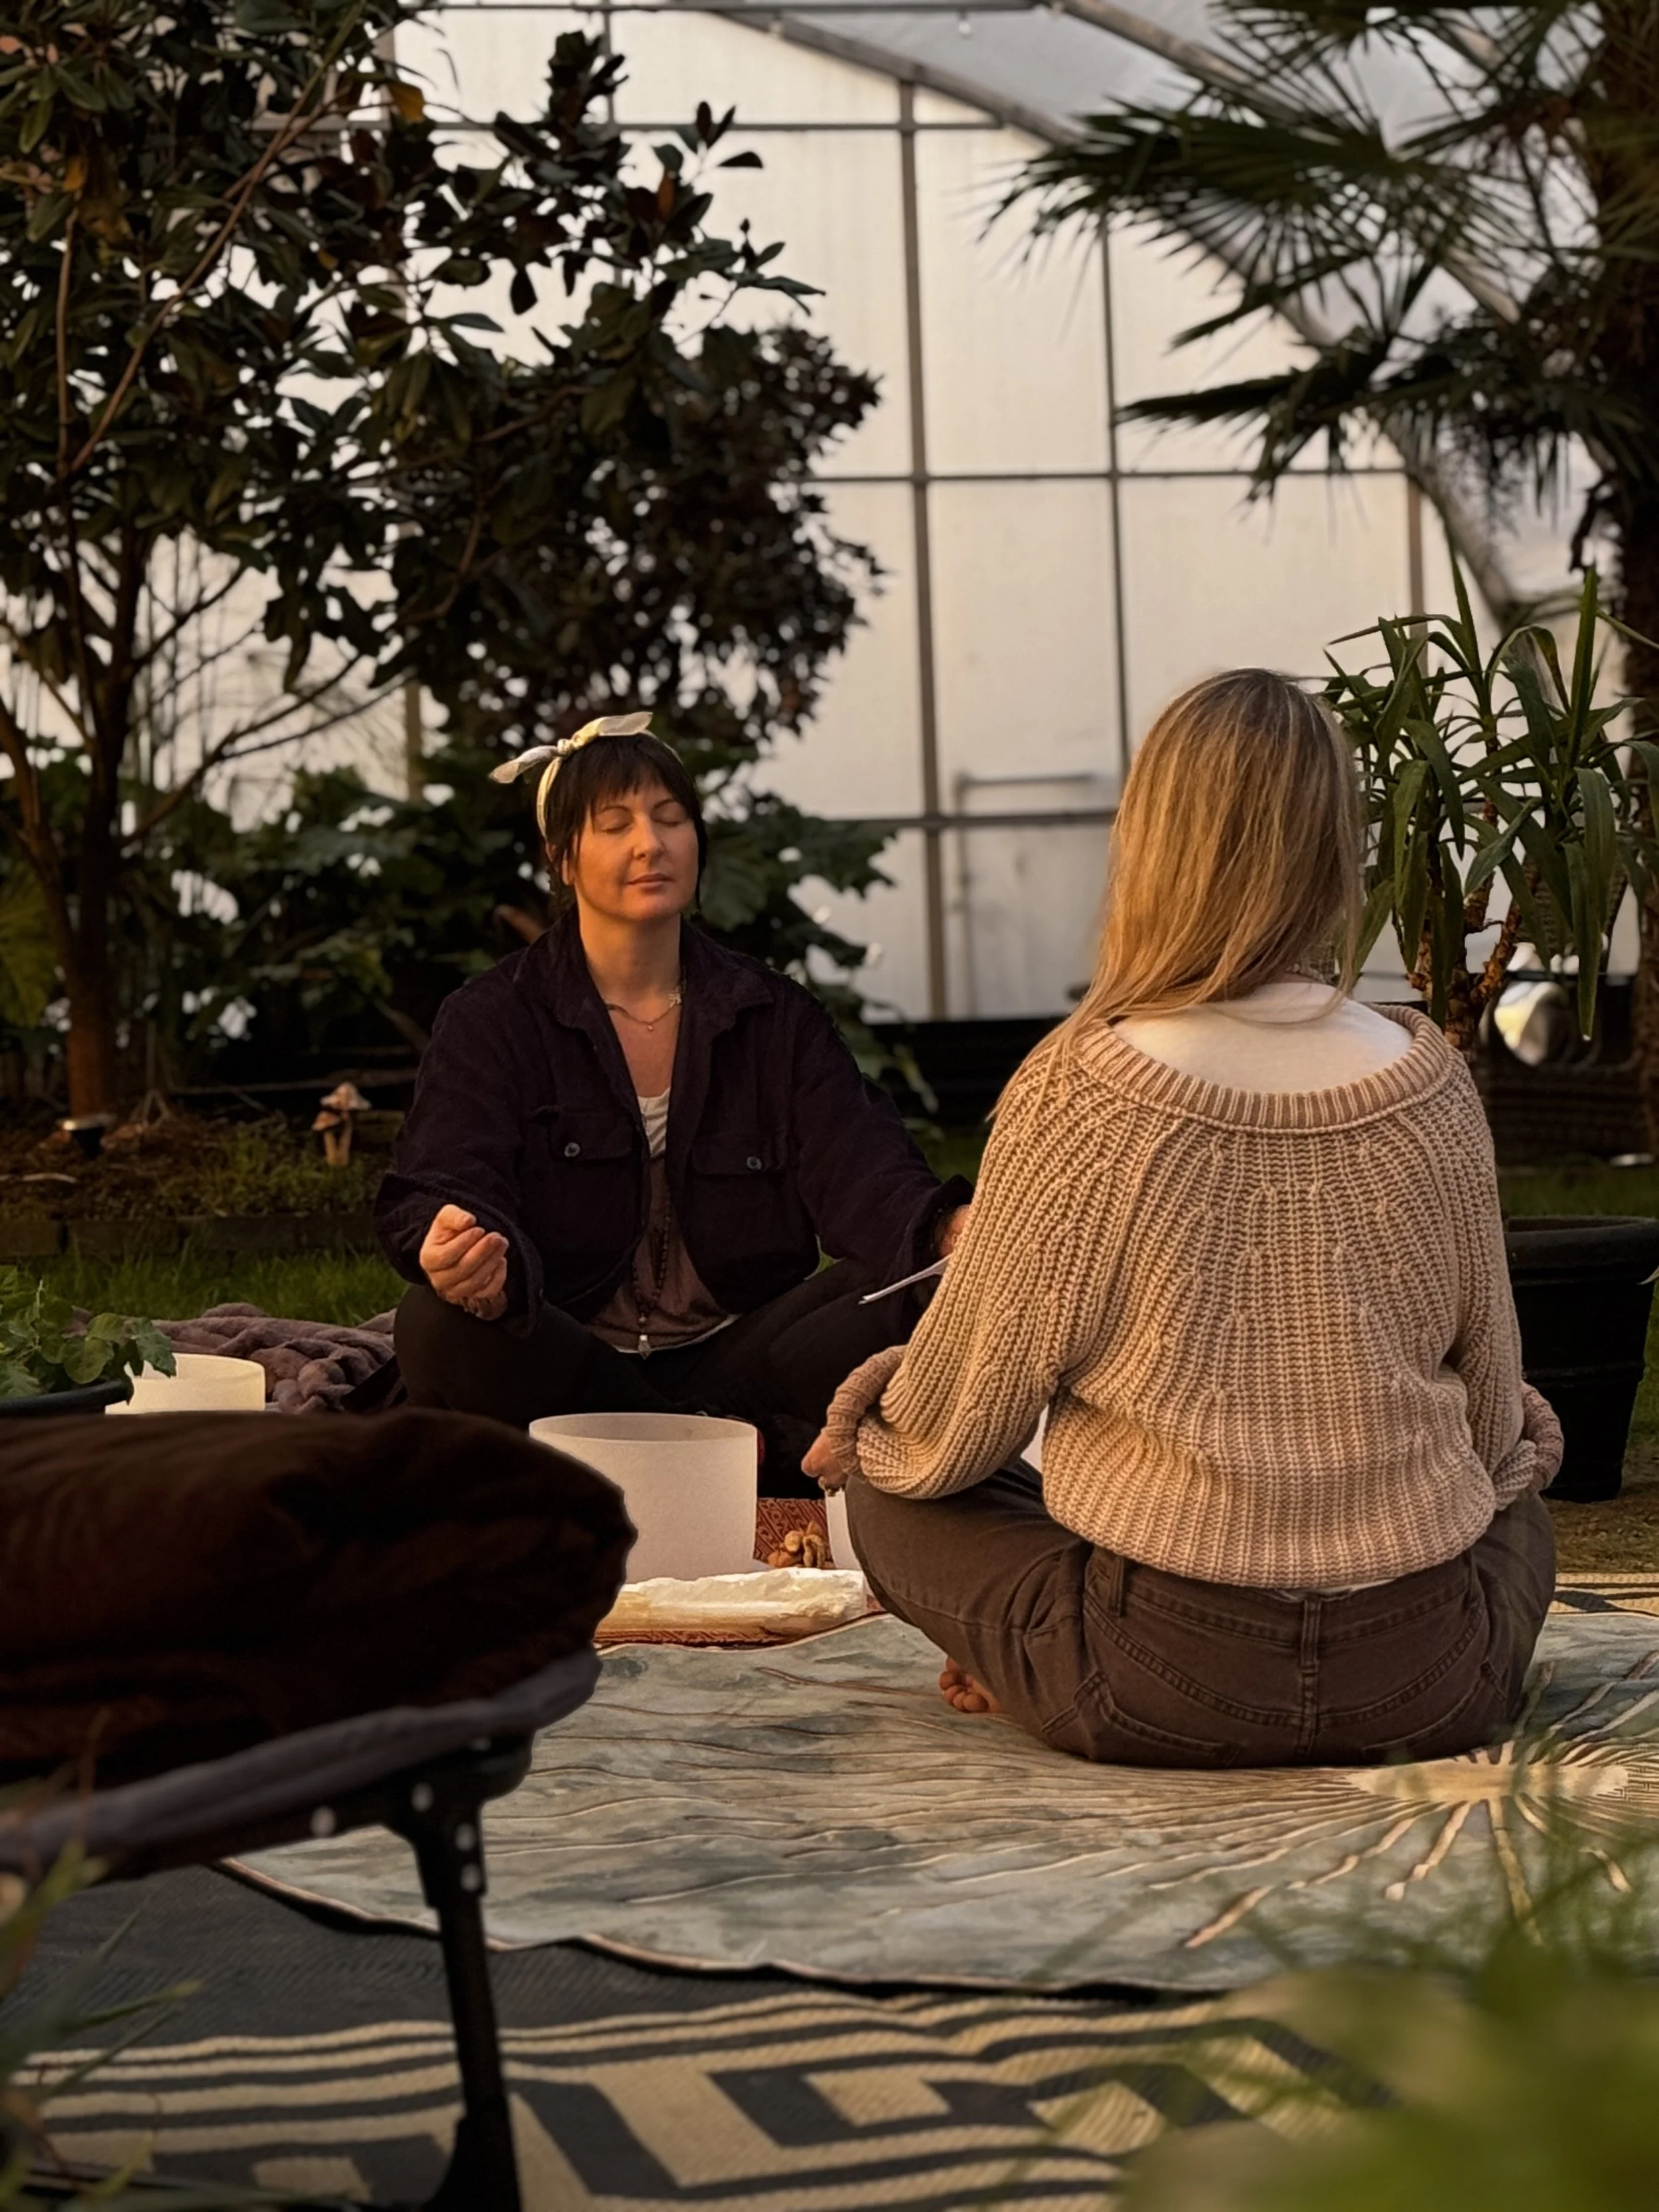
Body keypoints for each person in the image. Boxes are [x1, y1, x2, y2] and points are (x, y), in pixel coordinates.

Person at [807, 669, 1560, 1765]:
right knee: (1521, 1478)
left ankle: (1030, 1663)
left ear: (1150, 842)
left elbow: (955, 1427)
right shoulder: (1431, 1084)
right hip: (1429, 1679)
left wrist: (872, 1409)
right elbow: (1490, 1425)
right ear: (1333, 845)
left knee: (892, 1492)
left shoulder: (1082, 1091)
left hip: (1154, 1678)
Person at [378, 713, 970, 1493]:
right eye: (614, 824)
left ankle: (657, 1458)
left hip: (742, 1360)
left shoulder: (769, 1015)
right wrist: (459, 1253)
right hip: (573, 1364)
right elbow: (445, 1178)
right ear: (562, 858)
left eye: (670, 818)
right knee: (437, 1325)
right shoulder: (496, 1018)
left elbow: (863, 1168)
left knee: (932, 1281)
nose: (649, 845)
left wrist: (948, 1230)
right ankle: (726, 1459)